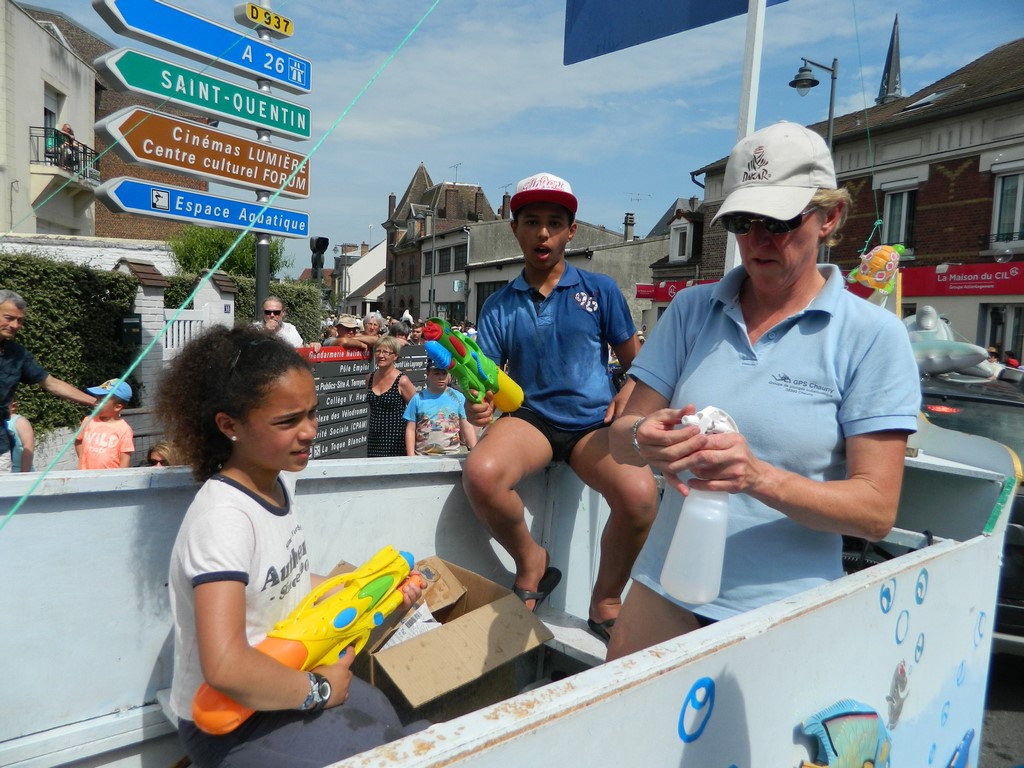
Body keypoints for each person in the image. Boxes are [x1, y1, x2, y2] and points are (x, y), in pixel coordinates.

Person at [605, 122, 921, 661]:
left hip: (782, 614)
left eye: (778, 221)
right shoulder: (691, 309)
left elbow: (875, 510)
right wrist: (644, 439)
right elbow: (620, 440)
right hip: (664, 587)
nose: (758, 240)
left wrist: (758, 477)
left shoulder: (872, 335)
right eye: (743, 222)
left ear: (829, 218)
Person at [158, 325, 425, 768]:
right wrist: (318, 691)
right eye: (288, 422)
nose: (309, 432)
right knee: (394, 752)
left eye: (312, 413)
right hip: (228, 721)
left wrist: (373, 589)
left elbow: (285, 582)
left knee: (392, 719)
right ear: (229, 425)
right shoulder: (224, 520)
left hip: (284, 678)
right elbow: (226, 666)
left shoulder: (277, 481)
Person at [462, 172, 658, 644]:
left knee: (640, 497)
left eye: (554, 222)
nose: (543, 233)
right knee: (482, 474)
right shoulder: (499, 305)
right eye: (531, 222)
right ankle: (531, 559)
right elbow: (484, 383)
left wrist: (627, 391)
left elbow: (638, 364)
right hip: (530, 420)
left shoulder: (601, 290)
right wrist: (477, 407)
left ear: (572, 231)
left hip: (593, 425)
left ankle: (605, 601)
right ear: (515, 229)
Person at [0, 290, 98, 472]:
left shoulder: (17, 354)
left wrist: (95, 402)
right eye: (9, 318)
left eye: (20, 320)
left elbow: (51, 383)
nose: (15, 325)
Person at [404, 360, 478, 456]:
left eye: (444, 373)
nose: (441, 377)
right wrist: (411, 456)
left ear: (449, 375)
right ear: (428, 375)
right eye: (436, 373)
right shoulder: (418, 398)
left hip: (451, 455)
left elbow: (467, 425)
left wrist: (474, 450)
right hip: (422, 455)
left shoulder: (458, 397)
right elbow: (410, 429)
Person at [365, 336, 416, 458]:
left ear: (395, 356)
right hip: (374, 439)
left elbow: (416, 409)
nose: (381, 355)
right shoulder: (369, 378)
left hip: (396, 439)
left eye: (386, 352)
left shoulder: (402, 381)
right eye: (378, 351)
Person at [76, 379, 135, 470]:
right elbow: (78, 441)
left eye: (101, 400)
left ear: (117, 407)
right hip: (86, 474)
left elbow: (125, 458)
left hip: (109, 477)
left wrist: (120, 476)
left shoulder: (124, 429)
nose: (96, 403)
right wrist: (83, 460)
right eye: (97, 399)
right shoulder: (88, 420)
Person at [256, 296, 321, 353]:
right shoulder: (255, 329)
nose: (272, 315)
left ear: (283, 313)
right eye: (267, 312)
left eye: (276, 312)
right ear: (263, 313)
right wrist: (266, 332)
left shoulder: (290, 329)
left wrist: (312, 347)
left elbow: (301, 351)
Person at [6, 400, 34, 472]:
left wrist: (24, 473)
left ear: (13, 406)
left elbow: (29, 446)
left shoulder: (19, 421)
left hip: (18, 470)